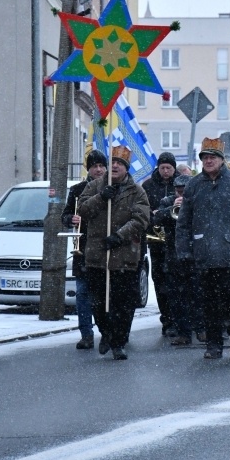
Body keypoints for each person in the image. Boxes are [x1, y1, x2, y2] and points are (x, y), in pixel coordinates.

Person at [176, 137, 230, 359]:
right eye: (205, 157)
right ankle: (213, 344)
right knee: (209, 303)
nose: (208, 160)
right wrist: (184, 251)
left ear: (222, 160)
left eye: (212, 157)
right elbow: (183, 222)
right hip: (204, 253)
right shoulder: (194, 186)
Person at [79, 145, 150, 360]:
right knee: (98, 303)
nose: (116, 166)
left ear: (127, 168)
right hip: (97, 256)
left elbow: (141, 218)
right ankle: (106, 332)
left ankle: (119, 341)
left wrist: (120, 236)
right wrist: (101, 197)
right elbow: (82, 210)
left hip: (124, 256)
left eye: (120, 163)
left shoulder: (137, 191)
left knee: (123, 304)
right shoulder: (94, 186)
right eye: (113, 163)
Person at [62, 149, 107, 350]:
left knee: (106, 293)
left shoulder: (114, 188)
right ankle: (86, 334)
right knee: (82, 293)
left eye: (101, 166)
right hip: (84, 248)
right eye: (94, 166)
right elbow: (65, 216)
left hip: (106, 247)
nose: (98, 170)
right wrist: (71, 219)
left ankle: (110, 333)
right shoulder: (77, 190)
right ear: (88, 169)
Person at [154, 174, 205, 345]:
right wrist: (171, 209)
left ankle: (201, 329)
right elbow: (156, 218)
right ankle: (183, 332)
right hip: (173, 256)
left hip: (195, 255)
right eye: (178, 191)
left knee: (198, 295)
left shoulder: (199, 200)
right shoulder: (167, 201)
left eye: (184, 191)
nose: (180, 195)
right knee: (177, 297)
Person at [141, 151, 179, 337]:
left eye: (169, 168)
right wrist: (152, 217)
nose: (166, 171)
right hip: (155, 240)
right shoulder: (148, 185)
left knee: (176, 281)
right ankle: (166, 319)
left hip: (174, 240)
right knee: (160, 281)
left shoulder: (181, 183)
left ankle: (178, 319)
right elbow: (142, 208)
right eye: (163, 168)